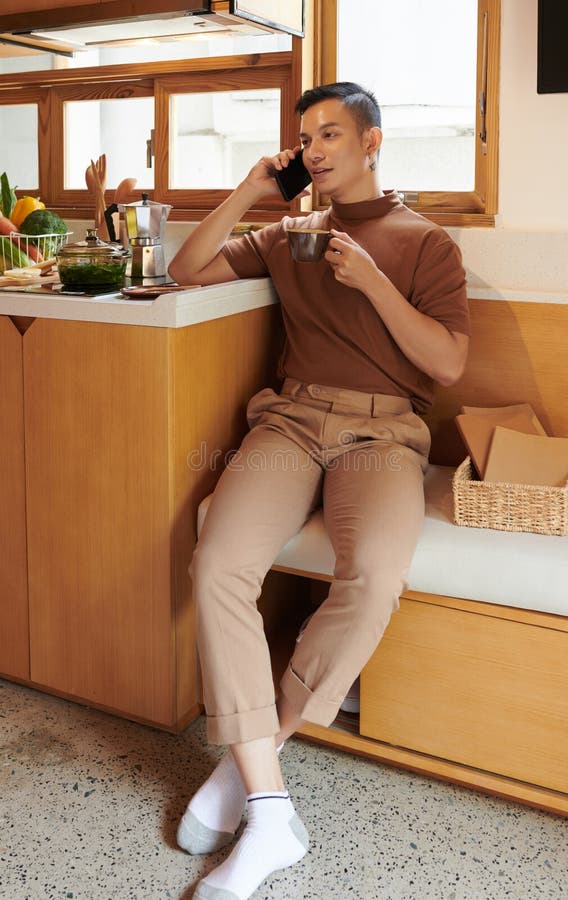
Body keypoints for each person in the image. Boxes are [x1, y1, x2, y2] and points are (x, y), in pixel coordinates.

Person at [168, 81, 470, 900]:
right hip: (292, 420)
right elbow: (183, 267)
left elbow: (445, 366)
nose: (316, 149)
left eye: (332, 133)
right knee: (218, 563)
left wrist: (371, 280)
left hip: (384, 434)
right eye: (306, 138)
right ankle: (270, 808)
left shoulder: (425, 242)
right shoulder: (289, 231)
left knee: (372, 576)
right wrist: (252, 189)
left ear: (373, 143)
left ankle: (251, 765)